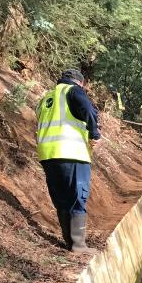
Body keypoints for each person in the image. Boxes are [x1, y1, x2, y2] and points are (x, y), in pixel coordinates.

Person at [35, 68, 100, 253]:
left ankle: (70, 243)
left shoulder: (45, 99)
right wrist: (94, 134)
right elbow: (87, 109)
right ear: (80, 83)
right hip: (72, 153)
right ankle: (78, 245)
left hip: (48, 155)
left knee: (62, 200)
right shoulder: (72, 90)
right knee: (77, 197)